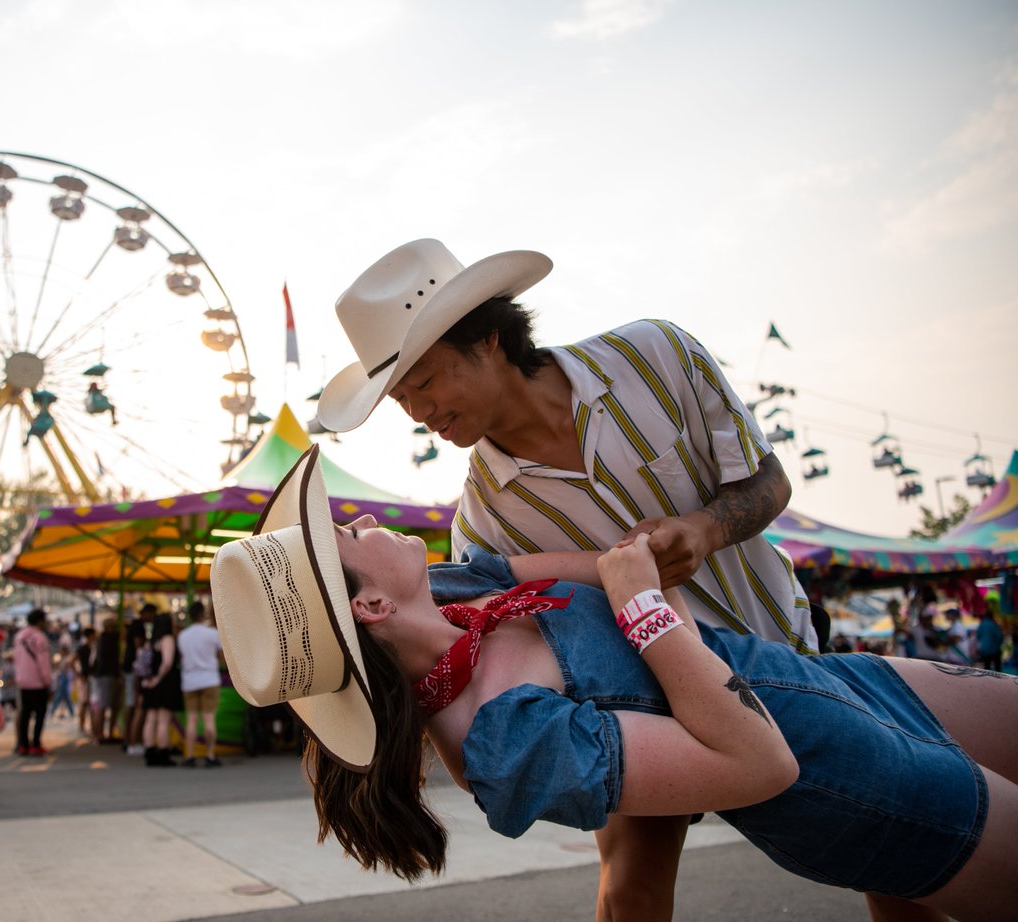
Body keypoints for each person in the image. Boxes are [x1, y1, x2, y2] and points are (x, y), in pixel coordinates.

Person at [213, 448, 1018, 922]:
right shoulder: (504, 744)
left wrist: (647, 577)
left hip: (833, 675)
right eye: (346, 538)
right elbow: (759, 766)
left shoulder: (459, 589)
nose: (359, 522)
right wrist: (646, 611)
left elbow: (618, 564)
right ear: (371, 604)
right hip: (843, 775)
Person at [315, 238, 823, 917]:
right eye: (401, 397)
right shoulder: (483, 522)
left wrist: (707, 528)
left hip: (778, 636)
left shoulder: (657, 357)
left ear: (488, 337)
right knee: (631, 887)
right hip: (648, 708)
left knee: (898, 842)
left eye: (426, 381)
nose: (417, 411)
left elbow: (769, 480)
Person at [176, 600, 223, 767]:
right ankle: (210, 755)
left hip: (189, 681)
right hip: (209, 679)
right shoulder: (212, 634)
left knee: (192, 720)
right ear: (203, 614)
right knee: (209, 719)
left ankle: (189, 756)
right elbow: (220, 655)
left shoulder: (182, 636)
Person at [141, 613, 183, 766]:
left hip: (150, 681)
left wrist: (152, 680)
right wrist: (158, 679)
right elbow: (167, 662)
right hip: (164, 683)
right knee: (164, 720)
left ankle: (149, 750)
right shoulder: (168, 639)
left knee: (150, 718)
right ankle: (163, 752)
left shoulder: (151, 641)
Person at [13, 608, 52, 756]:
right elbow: (43, 662)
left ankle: (23, 744)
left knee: (25, 714)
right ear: (40, 621)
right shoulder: (39, 638)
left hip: (23, 681)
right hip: (38, 682)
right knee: (39, 714)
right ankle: (35, 743)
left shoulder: (19, 637)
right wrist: (47, 680)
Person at [122, 604, 156, 754]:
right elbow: (138, 647)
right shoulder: (138, 626)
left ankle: (129, 739)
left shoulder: (135, 625)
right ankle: (131, 740)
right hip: (135, 670)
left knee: (134, 705)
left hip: (132, 668)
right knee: (136, 705)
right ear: (147, 613)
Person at [91, 617, 121, 744]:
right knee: (106, 705)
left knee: (105, 705)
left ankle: (101, 734)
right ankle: (102, 734)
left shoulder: (101, 639)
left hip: (103, 675)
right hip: (108, 675)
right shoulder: (110, 639)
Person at [75, 627, 95, 734]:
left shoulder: (92, 647)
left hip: (89, 677)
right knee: (84, 702)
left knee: (89, 703)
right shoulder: (83, 648)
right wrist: (78, 675)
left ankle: (86, 726)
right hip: (85, 677)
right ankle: (82, 726)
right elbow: (72, 661)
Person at [49, 643, 75, 719]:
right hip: (62, 677)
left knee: (60, 696)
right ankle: (70, 712)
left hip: (64, 678)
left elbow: (64, 668)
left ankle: (53, 711)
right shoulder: (62, 659)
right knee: (64, 697)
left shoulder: (67, 659)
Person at [975, 609, 1004, 673]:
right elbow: (999, 636)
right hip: (994, 649)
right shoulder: (994, 624)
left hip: (984, 650)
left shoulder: (982, 624)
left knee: (986, 668)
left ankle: (987, 681)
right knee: (997, 669)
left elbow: (978, 636)